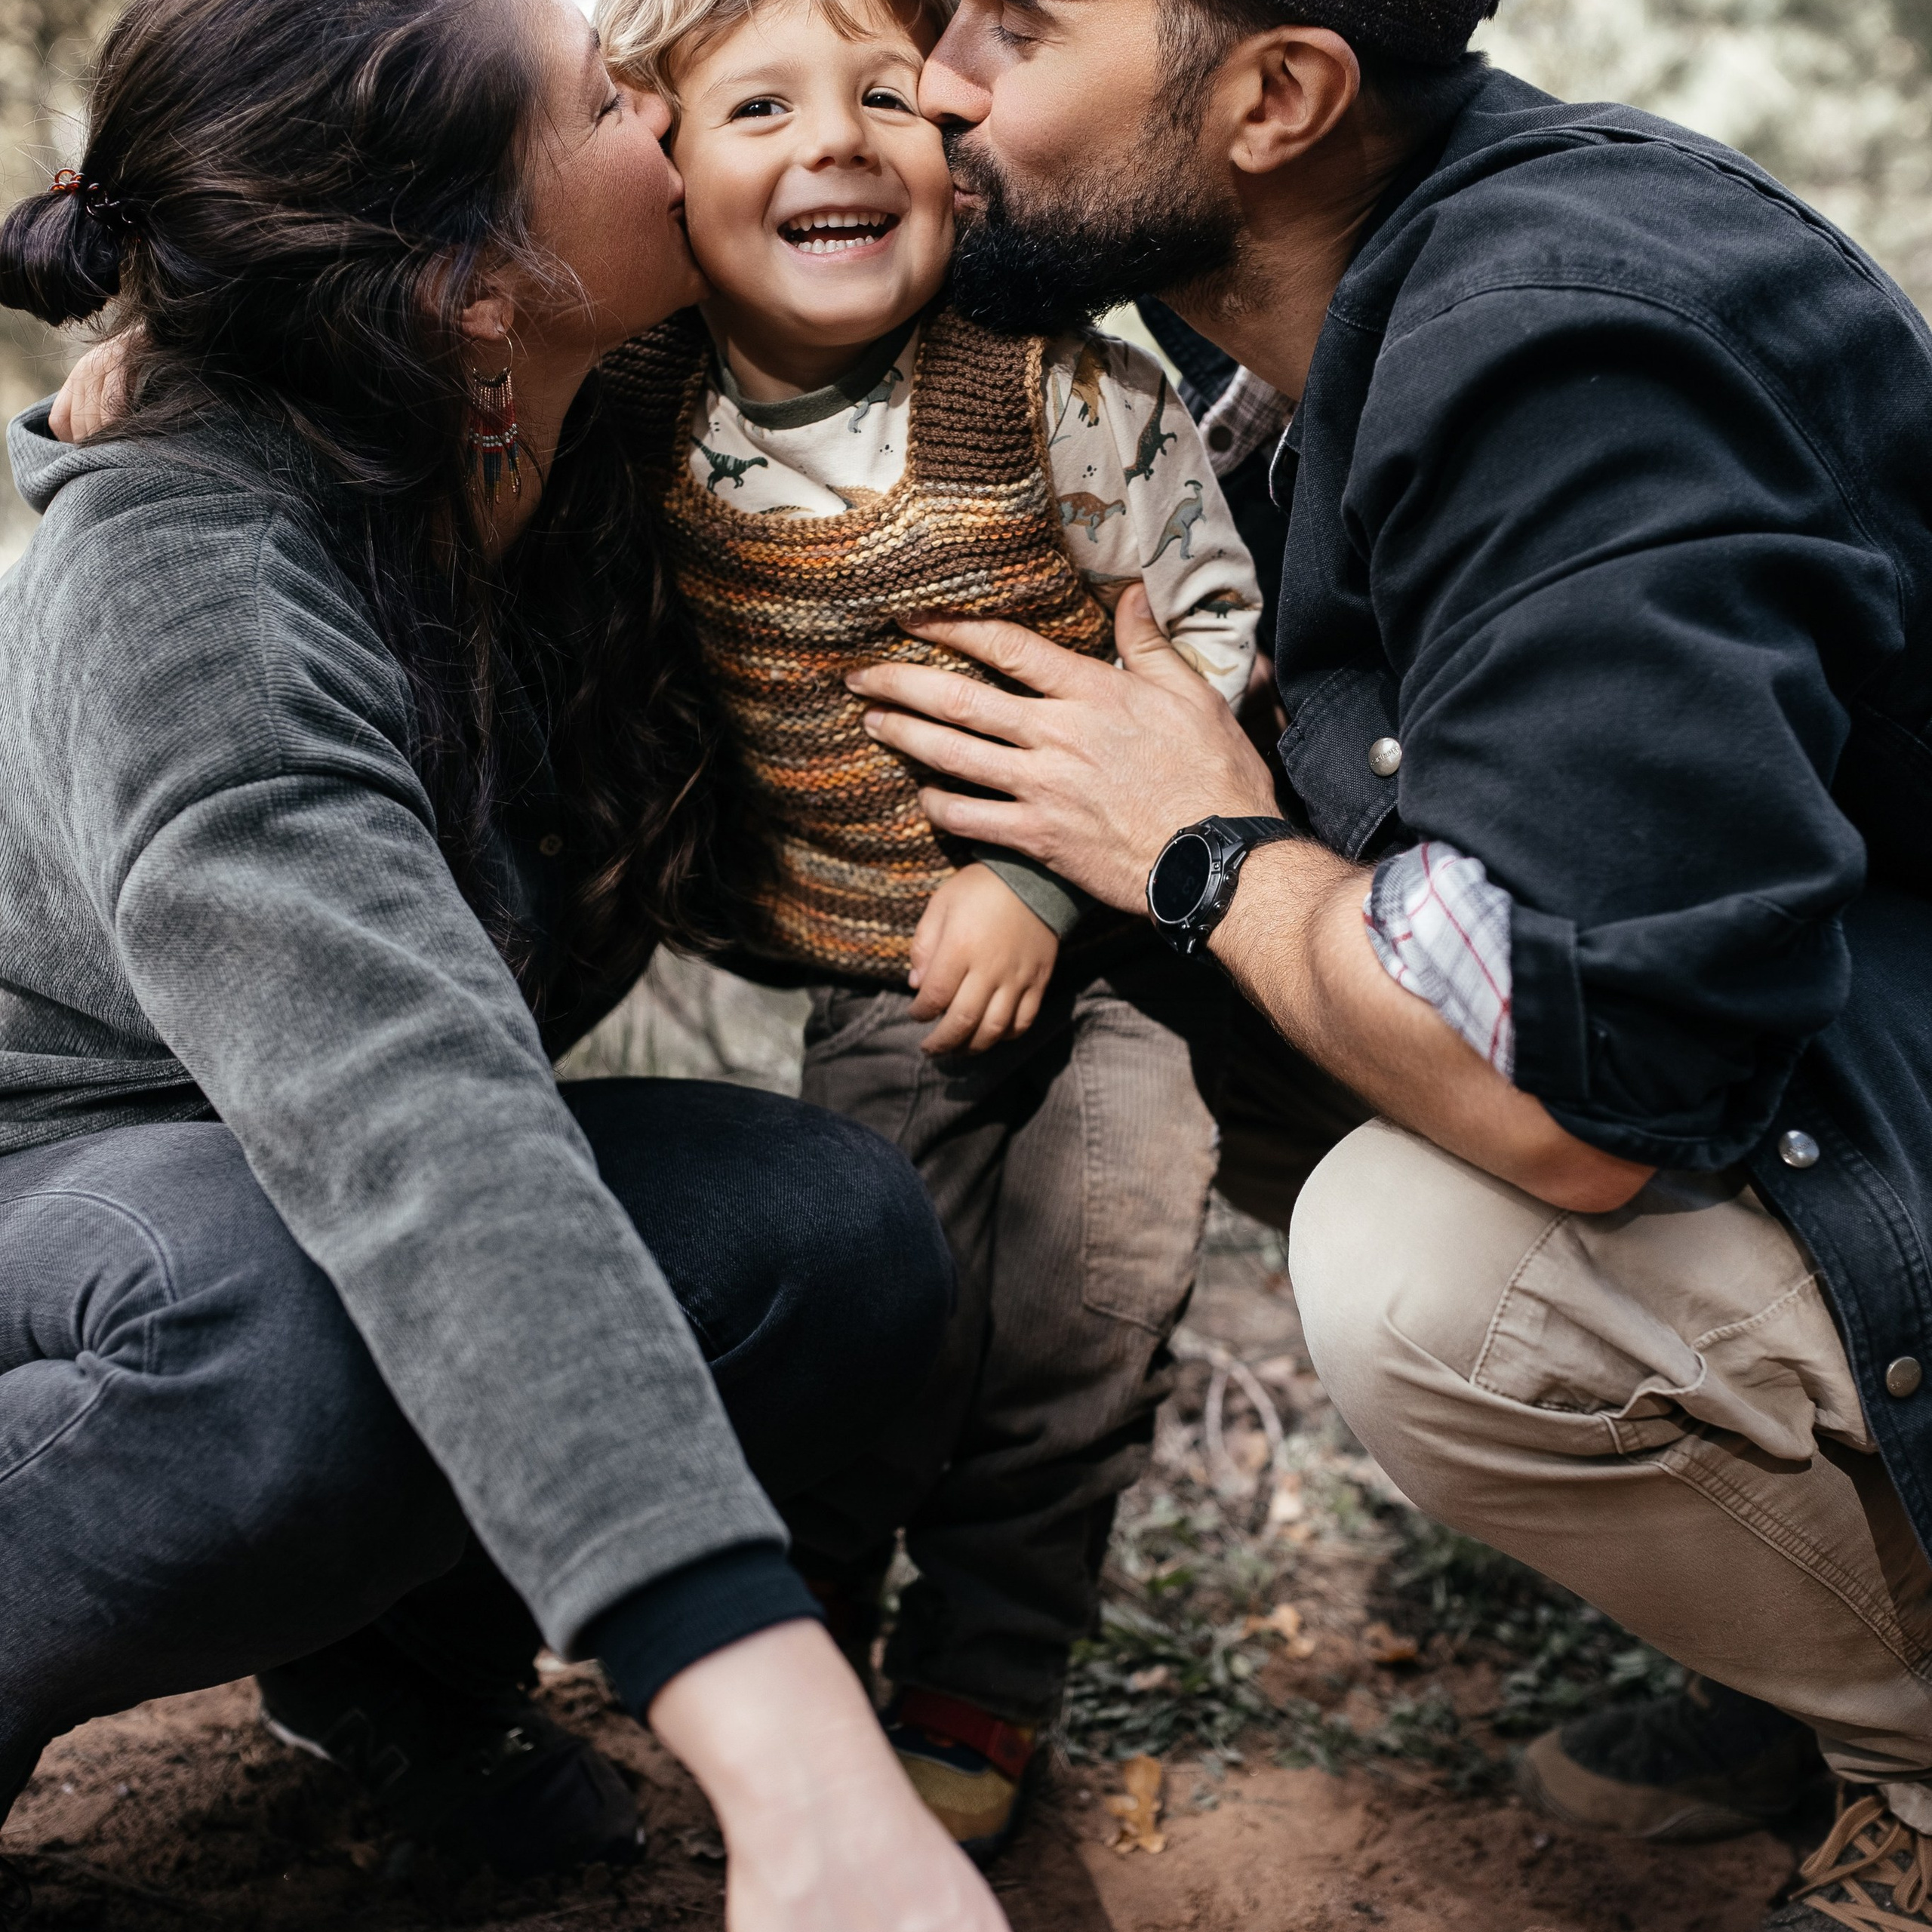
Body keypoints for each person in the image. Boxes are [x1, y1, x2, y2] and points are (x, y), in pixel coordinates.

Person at [838, 0, 1932, 1925]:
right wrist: (193, 306)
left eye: (1012, 30)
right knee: (1218, 986)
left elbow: (1580, 1100)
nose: (936, 88)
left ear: (1276, 98)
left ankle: (1912, 1751)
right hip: (1802, 1015)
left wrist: (1196, 846)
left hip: (1838, 1080)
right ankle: (1805, 1635)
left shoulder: (1563, 349)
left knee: (1417, 1265)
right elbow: (746, 226)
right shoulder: (1211, 291)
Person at [0, 0, 1014, 1924]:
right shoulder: (187, 580)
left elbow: (947, 155)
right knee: (272, 1308)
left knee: (822, 1228)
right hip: (61, 1194)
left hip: (278, 1170)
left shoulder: (599, 406)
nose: (675, 95)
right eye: (614, 94)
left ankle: (389, 1681)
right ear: (473, 286)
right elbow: (412, 1111)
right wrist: (794, 1757)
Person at [586, 0, 1260, 1859]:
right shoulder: (634, 390)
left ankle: (988, 1663)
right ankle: (788, 1648)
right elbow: (399, 371)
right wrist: (154, 359)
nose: (839, 139)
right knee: (882, 1307)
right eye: (760, 105)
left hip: (1134, 945)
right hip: (877, 962)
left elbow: (1207, 630)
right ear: (657, 165)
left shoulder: (1056, 385)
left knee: (1084, 1310)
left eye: (886, 93)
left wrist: (1049, 872)